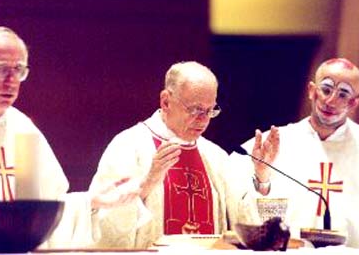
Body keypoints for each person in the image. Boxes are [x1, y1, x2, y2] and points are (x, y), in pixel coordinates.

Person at [0, 26, 140, 249]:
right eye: (0, 69)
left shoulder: (22, 129)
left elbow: (41, 215)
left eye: (18, 70)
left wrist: (90, 201)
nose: (11, 81)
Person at [89, 61, 279, 248]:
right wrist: (147, 183)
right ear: (166, 101)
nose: (203, 120)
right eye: (195, 109)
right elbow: (105, 225)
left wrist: (262, 175)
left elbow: (247, 224)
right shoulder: (129, 146)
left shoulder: (215, 157)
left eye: (210, 110)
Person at [233, 58, 359, 248]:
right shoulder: (273, 143)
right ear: (312, 91)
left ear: (354, 103)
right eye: (326, 89)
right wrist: (261, 175)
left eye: (343, 94)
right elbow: (245, 217)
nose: (331, 101)